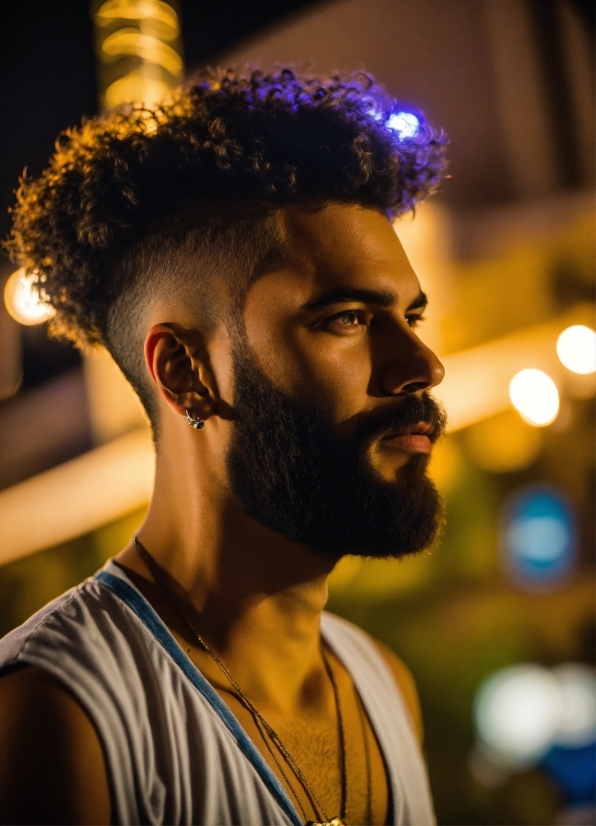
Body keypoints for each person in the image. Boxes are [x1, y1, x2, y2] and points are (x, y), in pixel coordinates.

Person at [0, 67, 448, 825]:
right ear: (186, 374)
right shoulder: (57, 714)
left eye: (412, 316)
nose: (423, 367)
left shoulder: (384, 688)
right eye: (346, 318)